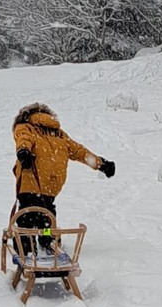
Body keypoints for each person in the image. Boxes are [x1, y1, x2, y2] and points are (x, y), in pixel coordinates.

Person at [12, 101, 113, 242]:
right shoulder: (59, 134)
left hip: (31, 180)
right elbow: (79, 152)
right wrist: (101, 163)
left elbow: (24, 139)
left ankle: (26, 245)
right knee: (46, 215)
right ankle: (47, 238)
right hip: (51, 184)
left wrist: (23, 151)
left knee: (27, 216)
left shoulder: (26, 126)